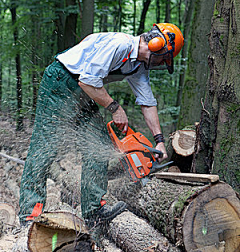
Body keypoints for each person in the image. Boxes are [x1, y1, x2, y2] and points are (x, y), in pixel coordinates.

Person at [19, 22, 184, 226]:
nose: (160, 64)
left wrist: (158, 140)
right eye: (163, 59)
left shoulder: (138, 66)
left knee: (99, 143)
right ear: (156, 44)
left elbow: (147, 102)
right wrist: (115, 108)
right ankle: (29, 213)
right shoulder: (119, 45)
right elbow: (87, 80)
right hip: (61, 81)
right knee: (46, 146)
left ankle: (94, 209)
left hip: (84, 92)